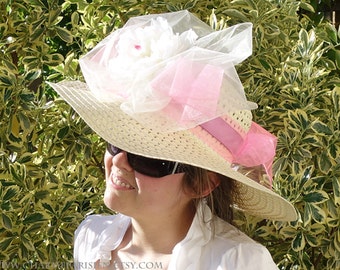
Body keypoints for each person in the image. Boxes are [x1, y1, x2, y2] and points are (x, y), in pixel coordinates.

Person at [49, 10, 297, 270]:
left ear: (201, 186)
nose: (120, 160)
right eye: (116, 143)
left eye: (146, 157)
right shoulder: (90, 239)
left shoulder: (237, 262)